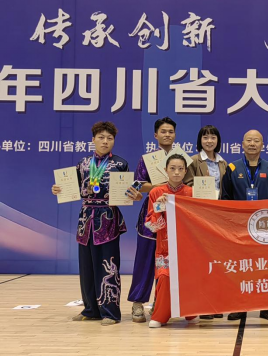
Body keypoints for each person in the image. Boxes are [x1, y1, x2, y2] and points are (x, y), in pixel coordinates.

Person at [51, 121, 142, 326]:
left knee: (109, 267)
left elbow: (131, 191)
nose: (105, 141)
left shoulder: (120, 164)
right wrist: (58, 189)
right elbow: (70, 187)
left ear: (114, 141)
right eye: (101, 137)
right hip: (86, 220)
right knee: (87, 267)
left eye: (110, 138)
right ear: (93, 140)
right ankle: (91, 310)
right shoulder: (83, 163)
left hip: (108, 219)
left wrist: (135, 196)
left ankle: (110, 312)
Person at [222, 129, 268, 321]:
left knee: (266, 267)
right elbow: (225, 199)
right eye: (249, 140)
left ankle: (267, 307)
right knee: (241, 267)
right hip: (239, 227)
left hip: (265, 227)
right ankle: (239, 306)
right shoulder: (232, 168)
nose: (252, 144)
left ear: (262, 145)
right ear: (242, 144)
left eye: (256, 141)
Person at [127, 117, 177, 323]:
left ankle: (160, 302)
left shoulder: (180, 159)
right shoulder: (147, 159)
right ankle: (137, 303)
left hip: (174, 216)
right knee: (145, 261)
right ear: (156, 135)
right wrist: (160, 185)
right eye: (163, 131)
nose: (167, 135)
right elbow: (137, 184)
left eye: (171, 131)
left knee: (167, 262)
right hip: (151, 217)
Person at [145, 154, 197, 328]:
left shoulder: (191, 193)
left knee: (189, 278)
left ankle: (191, 312)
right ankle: (160, 315)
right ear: (165, 170)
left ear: (186, 171)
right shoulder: (156, 193)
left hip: (188, 247)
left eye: (180, 169)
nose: (176, 172)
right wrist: (158, 208)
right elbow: (152, 226)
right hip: (164, 247)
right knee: (164, 278)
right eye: (172, 168)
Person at [183, 125, 227, 320]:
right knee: (201, 261)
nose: (209, 141)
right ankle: (203, 304)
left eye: (213, 137)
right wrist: (203, 188)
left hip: (217, 216)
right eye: (205, 137)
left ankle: (215, 303)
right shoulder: (193, 161)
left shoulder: (223, 162)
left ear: (218, 140)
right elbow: (186, 186)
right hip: (199, 215)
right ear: (200, 140)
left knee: (216, 261)